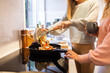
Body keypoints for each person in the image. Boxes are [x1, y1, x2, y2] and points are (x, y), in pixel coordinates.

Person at [43, 0, 99, 73]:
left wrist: (70, 22)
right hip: (73, 47)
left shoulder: (93, 2)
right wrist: (47, 30)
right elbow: (62, 24)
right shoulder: (72, 6)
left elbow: (89, 23)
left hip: (87, 47)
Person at [65, 0, 110, 73]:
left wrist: (79, 58)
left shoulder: (93, 3)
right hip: (105, 64)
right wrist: (99, 32)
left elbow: (108, 48)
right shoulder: (107, 8)